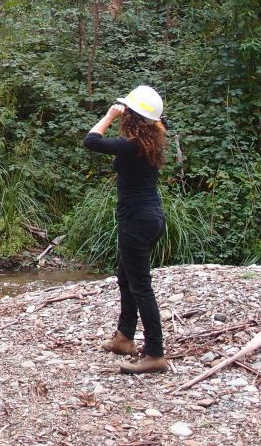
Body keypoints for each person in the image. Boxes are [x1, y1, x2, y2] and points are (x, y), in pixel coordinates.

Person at [83, 85, 169, 374]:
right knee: (126, 276)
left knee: (141, 286)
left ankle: (155, 353)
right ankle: (124, 338)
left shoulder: (132, 146)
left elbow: (91, 141)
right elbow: (159, 120)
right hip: (152, 217)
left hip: (135, 221)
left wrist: (108, 116)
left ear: (131, 116)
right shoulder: (152, 138)